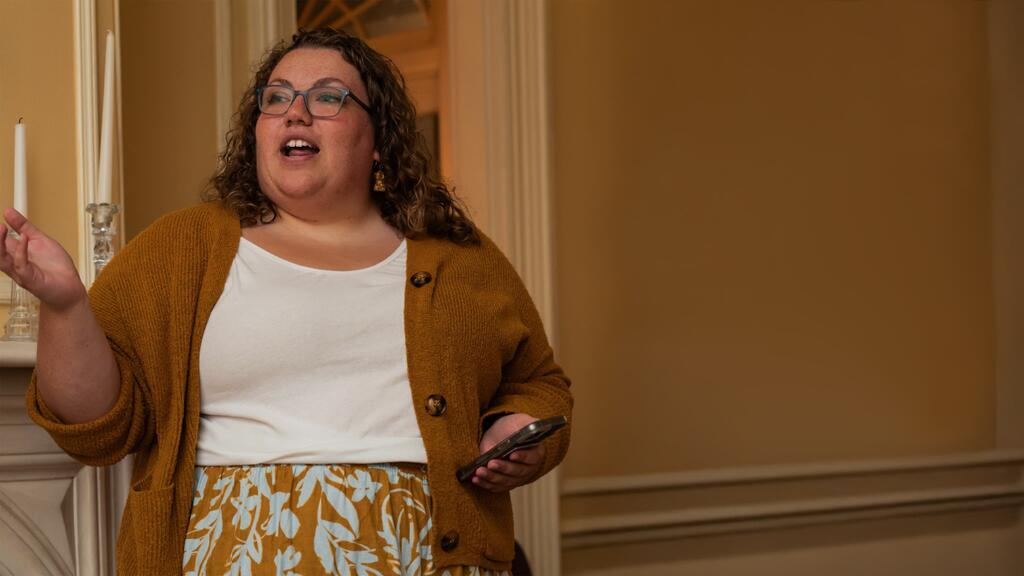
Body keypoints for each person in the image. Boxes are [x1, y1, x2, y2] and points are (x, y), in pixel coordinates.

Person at [9, 28, 571, 575]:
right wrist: (64, 305)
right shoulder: (181, 249)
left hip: (429, 554)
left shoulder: (457, 256)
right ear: (257, 131)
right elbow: (97, 428)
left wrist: (516, 432)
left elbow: (540, 384)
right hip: (229, 554)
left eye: (327, 97)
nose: (295, 113)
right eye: (276, 97)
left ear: (379, 141)